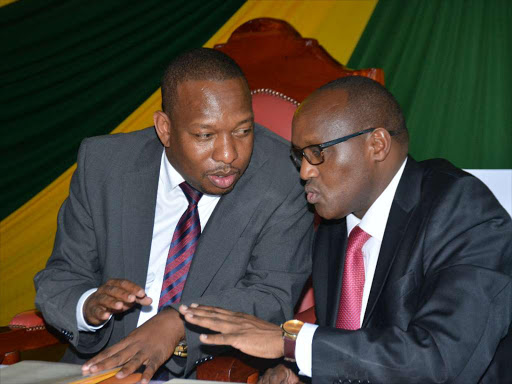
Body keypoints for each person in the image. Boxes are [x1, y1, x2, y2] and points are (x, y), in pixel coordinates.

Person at [179, 76, 512, 384]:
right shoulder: (334, 223)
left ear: (377, 144)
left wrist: (289, 342)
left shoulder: (461, 208)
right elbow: (344, 338)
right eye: (300, 157)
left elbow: (441, 357)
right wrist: (293, 369)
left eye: (317, 152)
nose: (305, 171)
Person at [34, 48, 314, 383]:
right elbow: (61, 276)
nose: (229, 155)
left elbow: (271, 295)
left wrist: (179, 323)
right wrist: (87, 306)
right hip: (100, 368)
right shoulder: (104, 166)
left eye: (243, 130)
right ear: (165, 129)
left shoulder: (285, 178)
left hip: (209, 371)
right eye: (204, 135)